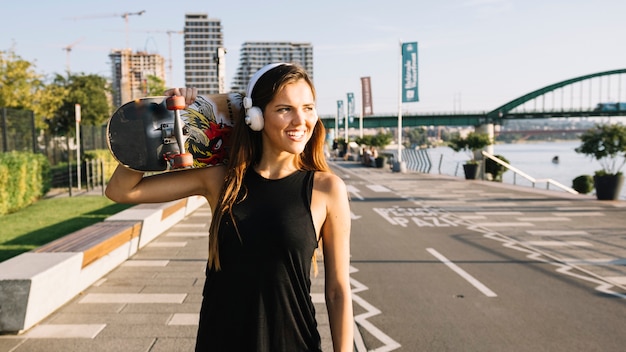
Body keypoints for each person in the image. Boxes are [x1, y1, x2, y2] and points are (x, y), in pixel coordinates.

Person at [105, 63, 354, 351]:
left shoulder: (326, 189)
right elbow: (121, 191)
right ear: (256, 117)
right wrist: (162, 119)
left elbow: (337, 291)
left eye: (308, 108)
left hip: (293, 343)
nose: (301, 120)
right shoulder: (221, 178)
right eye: (285, 109)